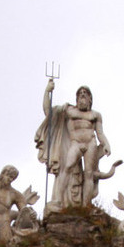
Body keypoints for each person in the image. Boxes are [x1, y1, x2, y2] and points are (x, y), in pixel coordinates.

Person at [35, 79, 112, 212]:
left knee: (89, 174)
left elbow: (100, 133)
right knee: (67, 167)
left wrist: (106, 144)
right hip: (75, 142)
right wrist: (47, 91)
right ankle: (58, 200)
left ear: (90, 99)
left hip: (90, 143)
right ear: (76, 98)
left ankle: (86, 205)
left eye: (85, 93)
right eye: (80, 93)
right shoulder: (68, 110)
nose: (82, 94)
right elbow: (48, 111)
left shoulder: (95, 115)